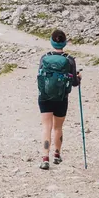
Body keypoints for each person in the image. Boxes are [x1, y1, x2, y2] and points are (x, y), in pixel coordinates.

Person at [38, 30, 81, 170]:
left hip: (44, 97)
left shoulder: (44, 57)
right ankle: (57, 154)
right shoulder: (69, 59)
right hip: (61, 98)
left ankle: (45, 157)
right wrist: (79, 78)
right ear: (64, 42)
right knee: (58, 127)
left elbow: (39, 76)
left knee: (46, 126)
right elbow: (74, 82)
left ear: (51, 41)